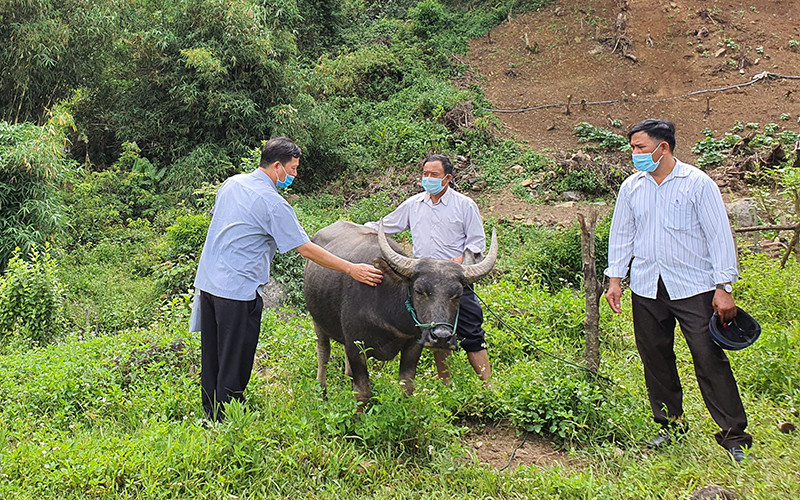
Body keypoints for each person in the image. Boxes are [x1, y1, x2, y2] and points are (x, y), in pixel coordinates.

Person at [190, 137, 383, 421]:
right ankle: (228, 420)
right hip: (237, 290)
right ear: (277, 166)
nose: (294, 175)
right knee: (235, 356)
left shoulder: (232, 183)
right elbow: (306, 248)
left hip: (208, 283)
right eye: (292, 169)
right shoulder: (272, 203)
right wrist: (351, 268)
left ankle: (210, 412)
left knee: (213, 354)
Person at [604, 119, 752, 463]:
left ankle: (734, 436)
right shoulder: (632, 187)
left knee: (708, 357)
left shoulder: (697, 184)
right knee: (655, 357)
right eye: (633, 148)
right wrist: (615, 279)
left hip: (694, 287)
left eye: (640, 148)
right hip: (646, 285)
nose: (634, 154)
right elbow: (622, 234)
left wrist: (723, 287)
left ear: (663, 147)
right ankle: (669, 424)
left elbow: (718, 236)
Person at [365, 154, 492, 385]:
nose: (428, 178)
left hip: (453, 279)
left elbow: (476, 243)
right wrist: (356, 230)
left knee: (472, 331)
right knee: (437, 331)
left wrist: (462, 257)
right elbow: (386, 226)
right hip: (424, 281)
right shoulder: (414, 204)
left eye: (434, 175)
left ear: (448, 178)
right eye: (425, 174)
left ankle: (489, 385)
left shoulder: (465, 205)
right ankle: (446, 385)